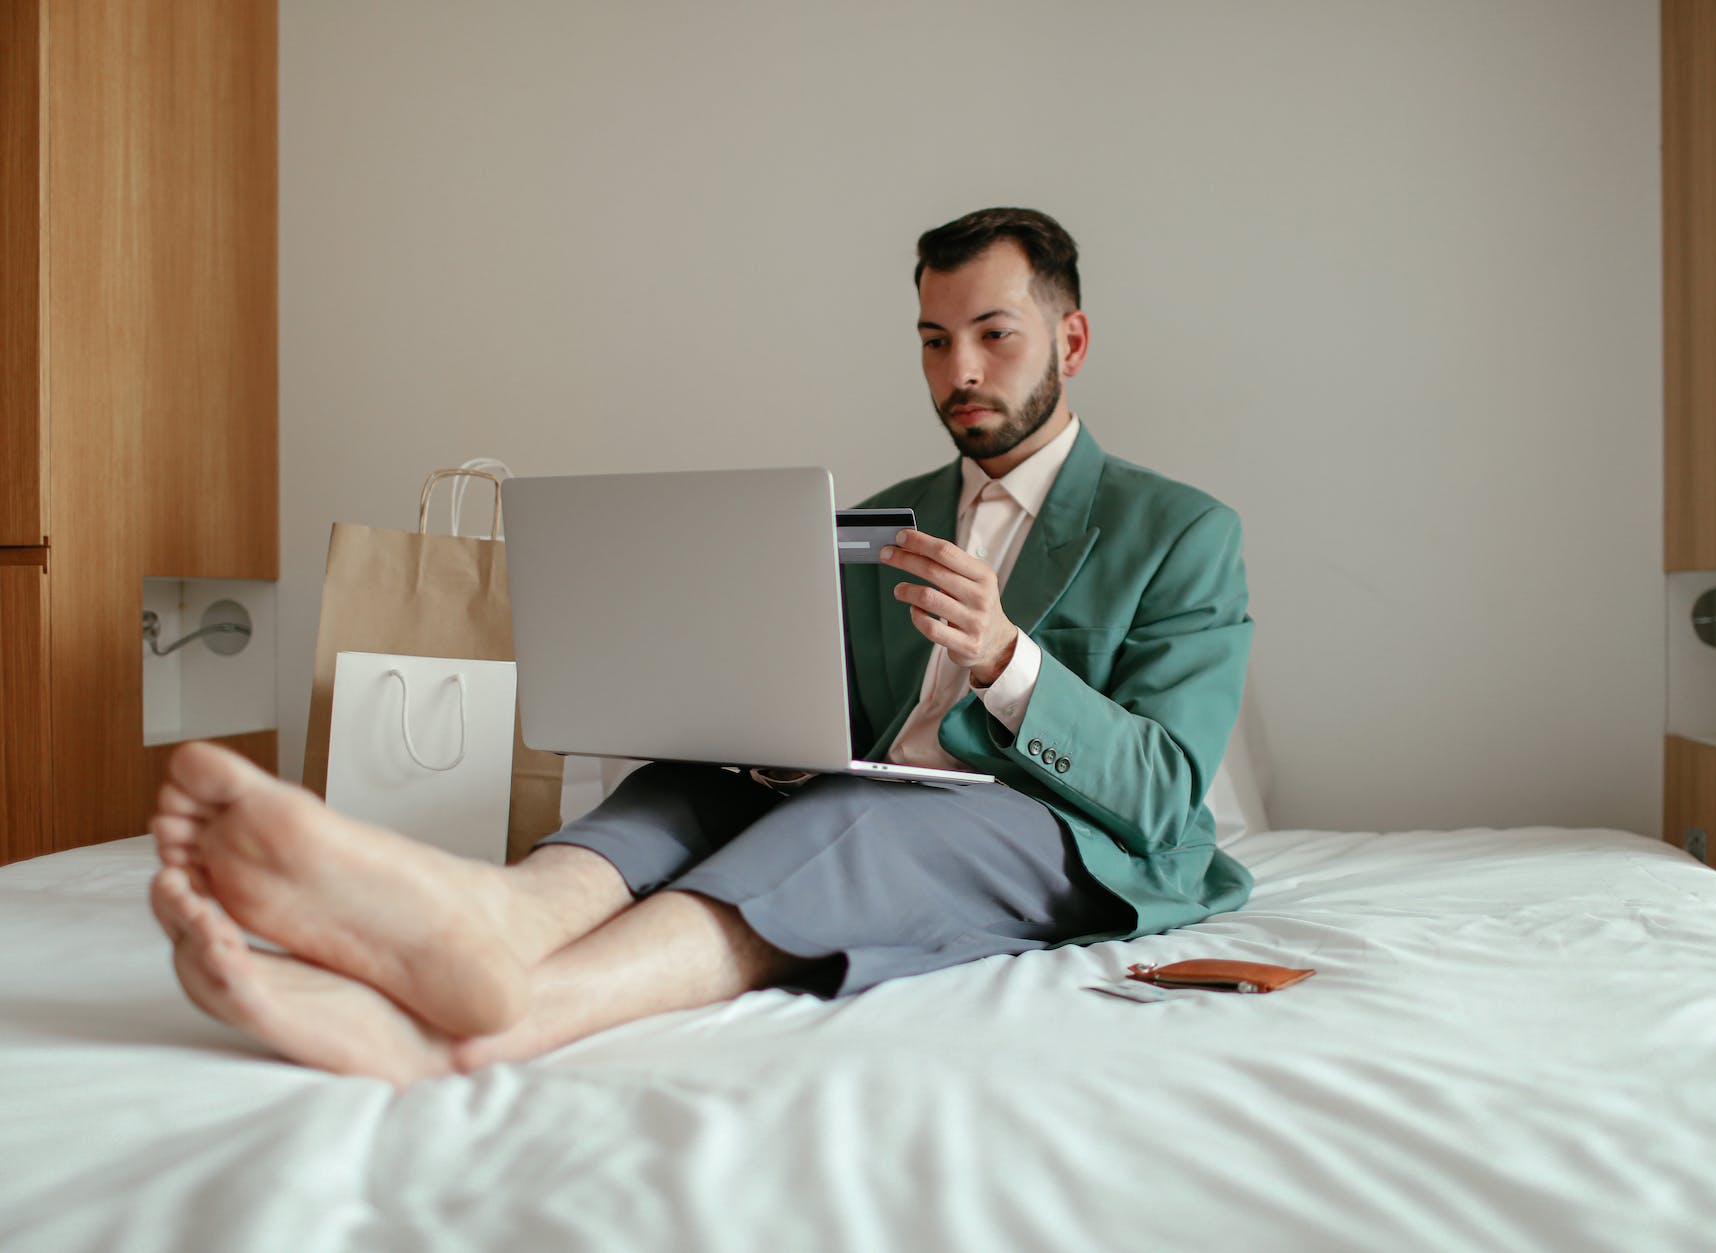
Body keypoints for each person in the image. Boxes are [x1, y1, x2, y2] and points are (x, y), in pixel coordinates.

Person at [147, 207, 1256, 1085]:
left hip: (1056, 829)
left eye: (992, 334)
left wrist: (1007, 660)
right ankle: (499, 920)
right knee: (697, 774)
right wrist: (749, 721)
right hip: (871, 786)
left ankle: (498, 1017)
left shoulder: (1181, 531)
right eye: (932, 338)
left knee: (852, 820)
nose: (957, 367)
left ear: (1069, 340)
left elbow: (1163, 795)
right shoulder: (883, 510)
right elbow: (822, 704)